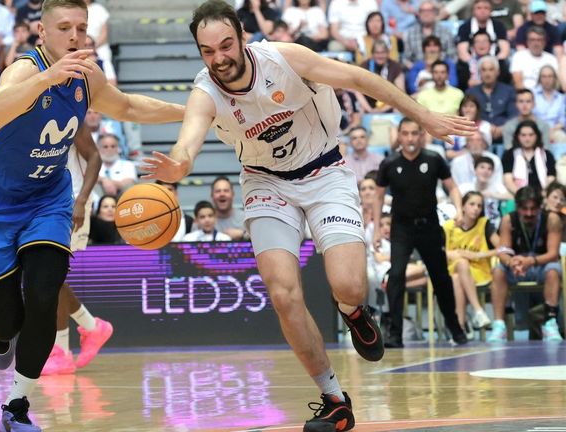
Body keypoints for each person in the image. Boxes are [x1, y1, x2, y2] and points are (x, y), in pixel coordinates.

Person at [142, 2, 474, 430]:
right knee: (282, 293)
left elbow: (358, 77)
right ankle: (334, 399)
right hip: (265, 183)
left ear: (242, 37)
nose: (220, 57)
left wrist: (423, 116)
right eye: (208, 51)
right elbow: (188, 142)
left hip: (325, 170)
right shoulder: (205, 91)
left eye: (226, 44)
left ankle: (354, 311)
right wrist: (178, 165)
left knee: (349, 285)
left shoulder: (284, 58)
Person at [0, 1, 185, 430]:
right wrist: (47, 77)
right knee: (7, 320)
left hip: (48, 198)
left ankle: (16, 407)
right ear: (42, 33)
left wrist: (191, 112)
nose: (75, 36)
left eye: (81, 27)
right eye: (65, 28)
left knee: (45, 292)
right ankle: (0, 329)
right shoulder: (26, 69)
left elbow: (130, 108)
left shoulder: (87, 77)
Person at [374, 118, 469, 348]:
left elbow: (452, 187)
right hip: (401, 228)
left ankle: (456, 329)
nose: (410, 138)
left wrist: (458, 209)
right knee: (395, 276)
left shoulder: (434, 159)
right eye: (405, 133)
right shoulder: (389, 163)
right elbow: (378, 196)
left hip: (429, 227)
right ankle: (395, 334)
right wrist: (377, 228)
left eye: (414, 133)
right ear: (399, 136)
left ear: (422, 135)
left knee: (441, 278)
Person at [43, 142, 114, 375]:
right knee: (46, 275)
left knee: (51, 276)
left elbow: (94, 156)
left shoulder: (71, 111)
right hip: (46, 203)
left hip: (71, 200)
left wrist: (81, 200)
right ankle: (92, 327)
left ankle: (61, 351)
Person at [488, 186, 564, 342]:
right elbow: (503, 251)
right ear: (517, 207)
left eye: (533, 209)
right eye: (524, 209)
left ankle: (550, 323)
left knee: (553, 270)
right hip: (517, 265)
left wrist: (531, 261)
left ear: (540, 206)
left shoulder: (552, 219)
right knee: (498, 271)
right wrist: (511, 262)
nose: (529, 213)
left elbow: (553, 254)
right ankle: (499, 326)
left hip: (540, 264)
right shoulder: (508, 219)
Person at [443, 191, 496, 339]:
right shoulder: (448, 227)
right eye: (472, 204)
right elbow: (438, 252)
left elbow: (502, 248)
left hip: (479, 271)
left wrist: (478, 255)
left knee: (457, 276)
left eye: (479, 205)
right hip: (451, 268)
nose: (476, 209)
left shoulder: (484, 224)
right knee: (460, 264)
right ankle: (477, 310)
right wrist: (453, 254)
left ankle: (459, 327)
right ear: (463, 207)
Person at [501, 120, 556, 195]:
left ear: (537, 136)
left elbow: (551, 178)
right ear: (517, 136)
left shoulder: (547, 154)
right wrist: (521, 195)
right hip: (517, 195)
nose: (527, 139)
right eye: (523, 135)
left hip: (542, 195)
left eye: (531, 135)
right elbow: (508, 180)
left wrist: (543, 194)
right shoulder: (509, 154)